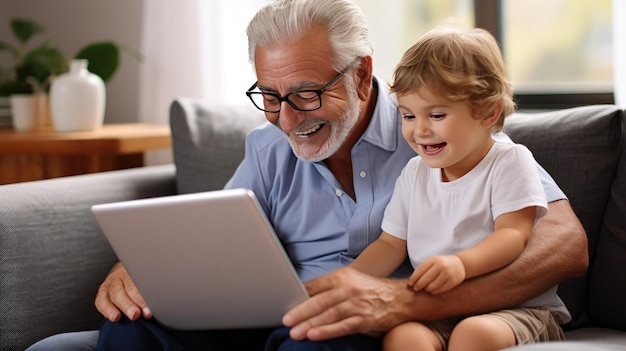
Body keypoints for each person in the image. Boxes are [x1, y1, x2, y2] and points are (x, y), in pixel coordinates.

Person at [26, 0, 587, 350]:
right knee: (129, 332)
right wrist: (142, 265)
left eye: (307, 94)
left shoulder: (446, 139)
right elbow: (208, 235)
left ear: (363, 75)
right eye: (269, 96)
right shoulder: (268, 150)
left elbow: (564, 245)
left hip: (352, 326)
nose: (287, 119)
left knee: (310, 342)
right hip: (279, 310)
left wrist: (407, 303)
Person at [348, 26, 568, 351]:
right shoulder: (414, 173)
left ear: (488, 112)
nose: (419, 130)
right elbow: (390, 245)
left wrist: (461, 264)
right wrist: (345, 282)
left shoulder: (509, 161)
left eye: (436, 114)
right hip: (443, 309)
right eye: (407, 115)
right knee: (404, 338)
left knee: (473, 335)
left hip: (518, 309)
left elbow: (514, 235)